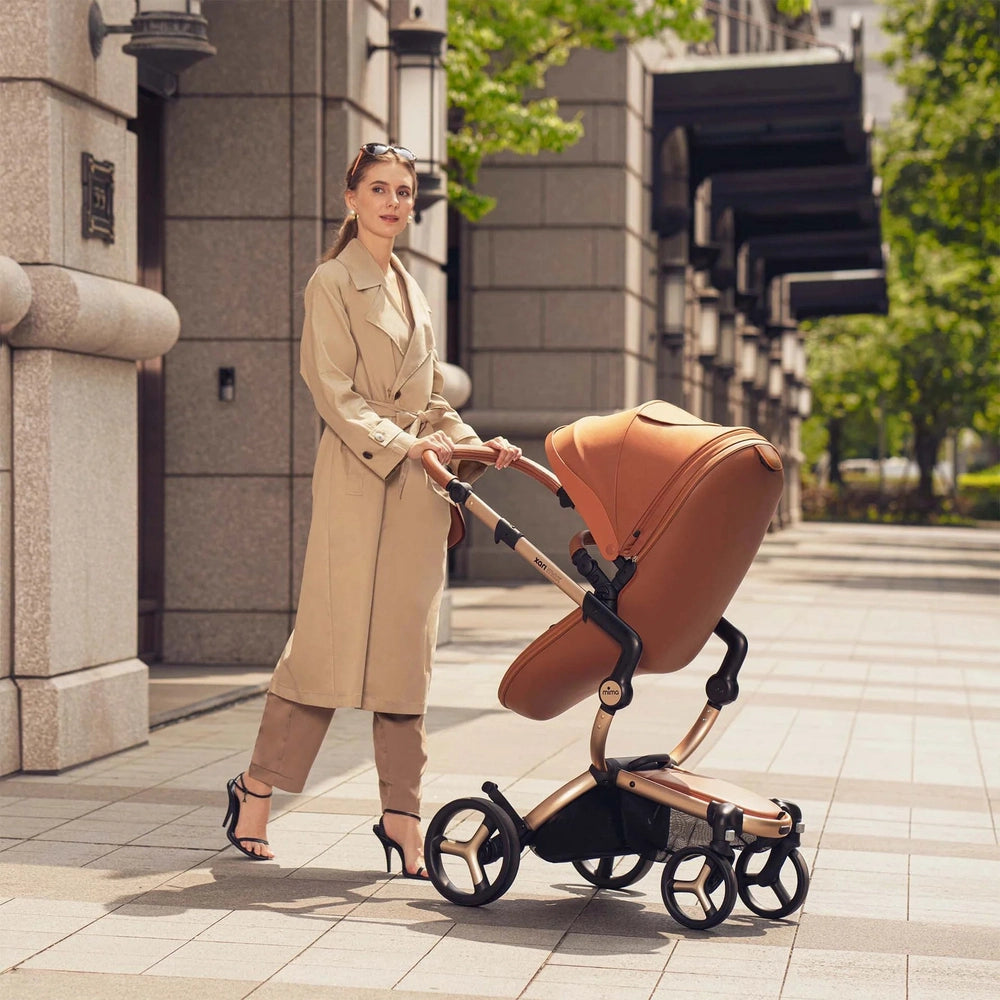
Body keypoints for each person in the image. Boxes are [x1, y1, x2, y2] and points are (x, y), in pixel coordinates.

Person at [222, 142, 521, 878]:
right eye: (379, 189)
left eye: (403, 192)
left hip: (418, 491)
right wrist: (405, 445)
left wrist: (473, 446)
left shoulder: (413, 289)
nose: (392, 202)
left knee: (404, 657)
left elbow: (431, 399)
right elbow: (332, 390)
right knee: (325, 647)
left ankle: (402, 815)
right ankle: (255, 789)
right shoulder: (332, 282)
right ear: (351, 198)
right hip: (359, 482)